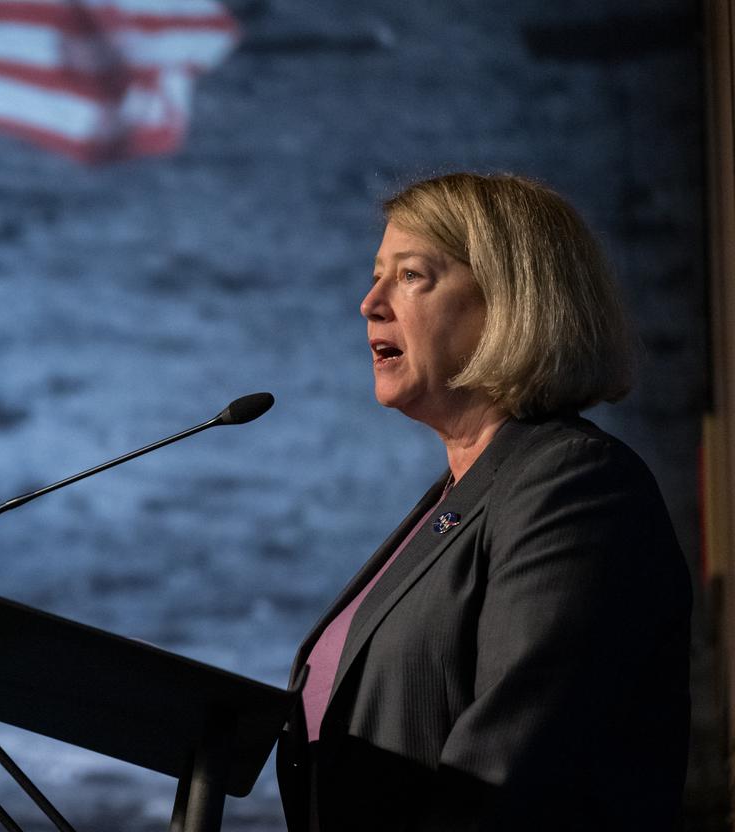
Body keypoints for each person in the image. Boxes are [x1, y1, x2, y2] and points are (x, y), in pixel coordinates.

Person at [276, 173, 692, 831]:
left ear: (511, 302)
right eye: (376, 275)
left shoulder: (573, 485)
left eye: (411, 276)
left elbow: (511, 774)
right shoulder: (464, 493)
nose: (369, 303)